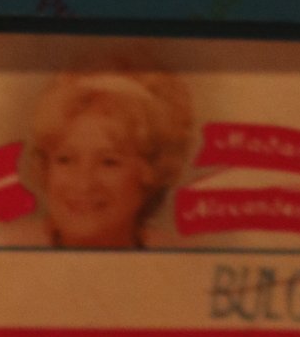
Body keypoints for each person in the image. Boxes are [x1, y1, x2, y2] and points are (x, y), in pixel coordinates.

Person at [20, 50, 194, 248]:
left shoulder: (182, 259)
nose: (84, 184)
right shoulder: (7, 251)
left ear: (151, 170)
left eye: (108, 162)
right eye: (65, 159)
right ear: (46, 167)